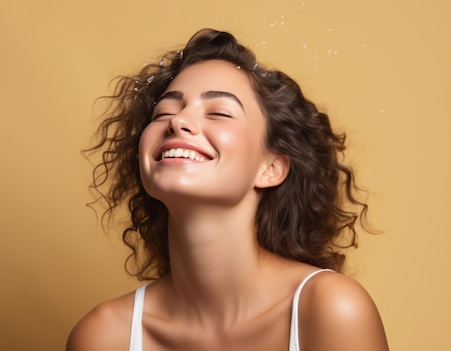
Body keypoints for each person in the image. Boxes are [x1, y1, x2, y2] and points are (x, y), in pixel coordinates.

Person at [67, 28, 389, 351]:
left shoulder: (329, 310)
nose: (177, 122)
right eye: (163, 113)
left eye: (219, 112)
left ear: (271, 168)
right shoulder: (103, 337)